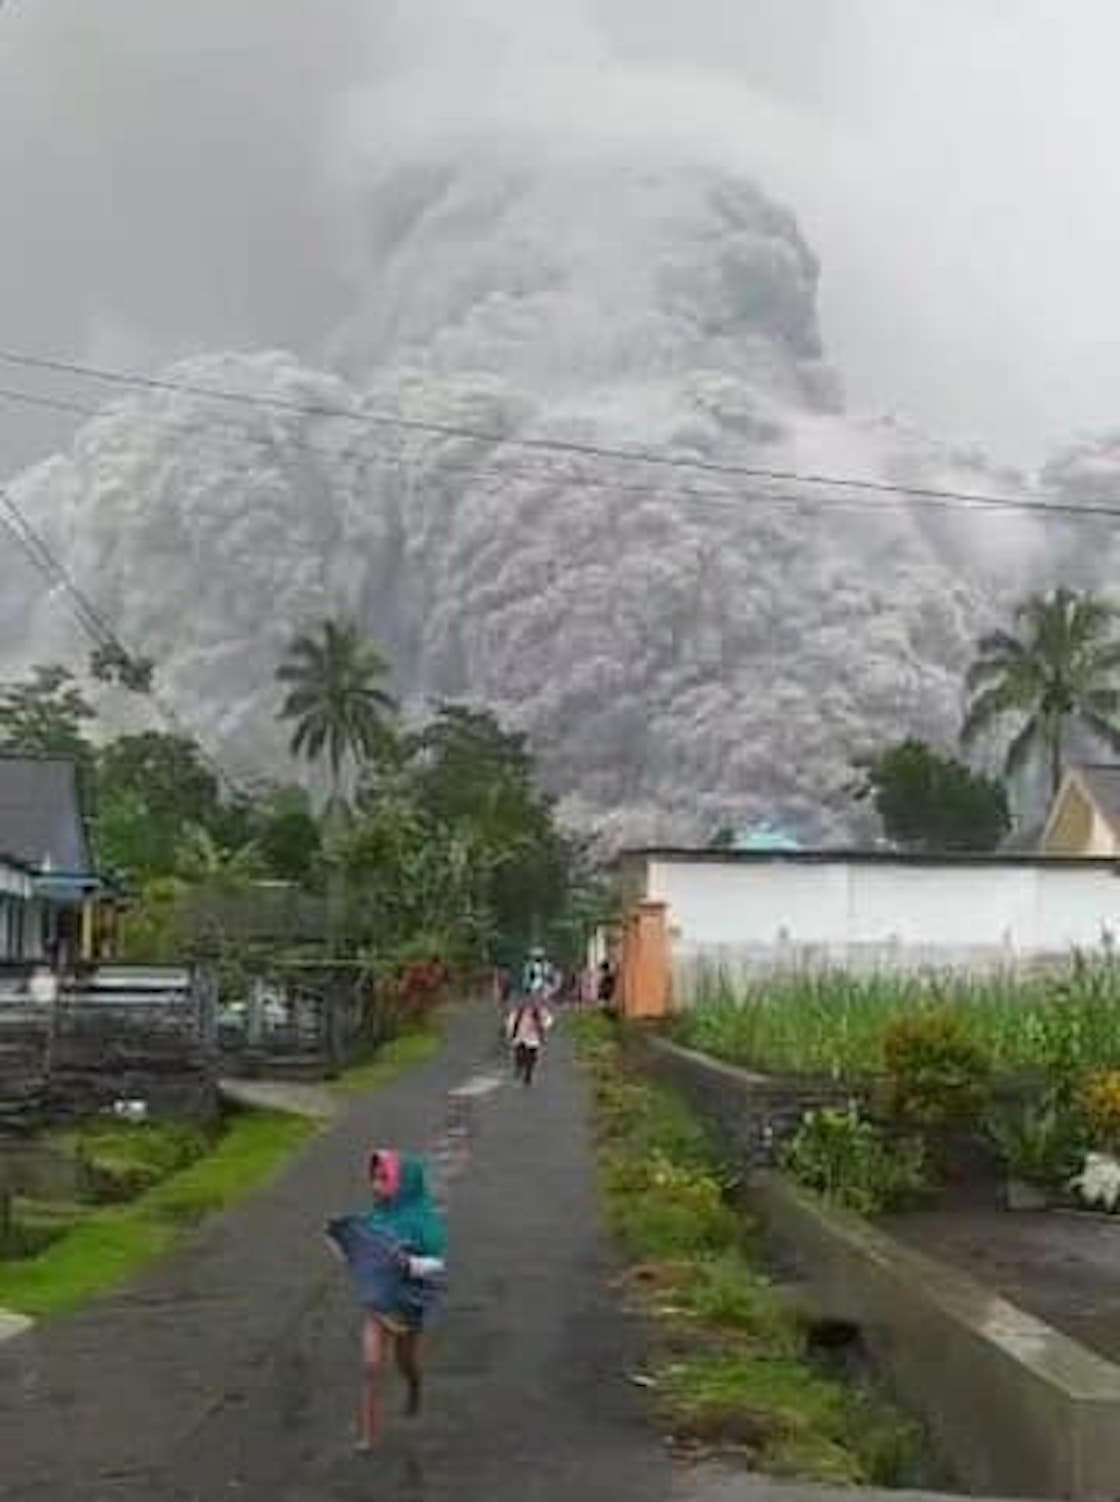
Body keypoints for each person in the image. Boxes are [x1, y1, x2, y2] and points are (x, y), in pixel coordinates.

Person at [325, 1149, 447, 1452]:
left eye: (384, 1179)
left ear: (403, 1184)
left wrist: (410, 1264)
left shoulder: (425, 1225)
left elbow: (437, 1265)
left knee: (406, 1362)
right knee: (371, 1365)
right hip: (378, 1305)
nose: (375, 1186)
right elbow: (358, 1254)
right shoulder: (374, 1220)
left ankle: (414, 1385)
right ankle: (368, 1433)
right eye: (374, 1178)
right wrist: (340, 1240)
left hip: (409, 1307)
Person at [505, 985, 553, 1085]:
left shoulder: (538, 1011)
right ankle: (519, 1066)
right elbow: (511, 1021)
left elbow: (547, 1020)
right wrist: (510, 1032)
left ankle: (528, 1073)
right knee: (520, 1053)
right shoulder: (519, 1010)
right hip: (520, 1036)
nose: (530, 1001)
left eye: (532, 998)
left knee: (532, 1056)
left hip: (533, 1037)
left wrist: (544, 1027)